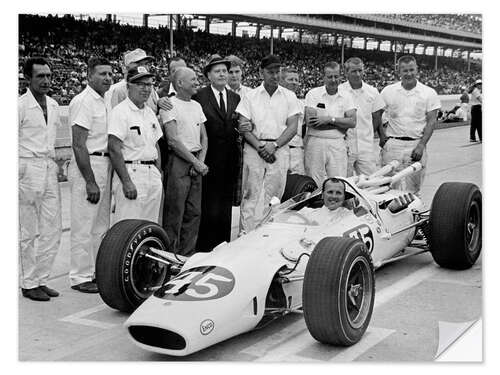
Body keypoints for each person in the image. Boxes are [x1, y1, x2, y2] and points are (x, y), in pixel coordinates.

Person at [236, 54, 301, 233]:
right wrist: (260, 147)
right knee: (251, 195)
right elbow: (243, 125)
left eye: (277, 71)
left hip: (279, 149)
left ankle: (267, 236)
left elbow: (293, 127)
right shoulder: (251, 96)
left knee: (274, 196)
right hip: (254, 149)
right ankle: (244, 237)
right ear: (261, 72)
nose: (275, 75)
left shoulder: (289, 96)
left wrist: (275, 145)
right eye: (270, 72)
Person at [68, 57, 113, 293]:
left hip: (104, 162)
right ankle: (79, 275)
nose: (107, 78)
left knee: (100, 225)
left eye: (110, 74)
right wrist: (90, 181)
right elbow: (78, 144)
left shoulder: (104, 101)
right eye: (102, 74)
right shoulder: (84, 101)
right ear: (89, 76)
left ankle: (95, 271)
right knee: (83, 224)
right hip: (89, 165)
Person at [19, 57, 62, 301]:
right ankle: (28, 282)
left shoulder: (54, 105)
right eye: (40, 76)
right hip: (26, 166)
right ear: (28, 78)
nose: (46, 80)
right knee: (27, 230)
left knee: (52, 228)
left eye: (48, 75)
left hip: (47, 165)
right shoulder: (19, 106)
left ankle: (41, 278)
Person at [192, 55, 241, 252]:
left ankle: (223, 246)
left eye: (225, 71)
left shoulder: (235, 98)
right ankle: (205, 248)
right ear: (208, 76)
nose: (222, 74)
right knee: (208, 205)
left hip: (230, 160)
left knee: (225, 206)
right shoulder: (199, 97)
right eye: (218, 71)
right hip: (209, 158)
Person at [160, 67, 209, 256]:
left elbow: (204, 138)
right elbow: (172, 140)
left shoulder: (196, 106)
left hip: (197, 161)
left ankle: (187, 255)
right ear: (180, 83)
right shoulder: (169, 105)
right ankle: (170, 257)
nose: (197, 82)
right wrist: (195, 162)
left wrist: (200, 162)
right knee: (175, 213)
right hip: (179, 161)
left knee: (194, 212)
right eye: (193, 79)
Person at [108, 66, 163, 223]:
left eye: (148, 84)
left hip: (151, 172)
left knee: (149, 225)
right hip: (131, 171)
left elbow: (156, 145)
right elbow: (114, 148)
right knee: (127, 225)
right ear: (128, 86)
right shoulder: (120, 111)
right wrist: (126, 181)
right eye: (140, 84)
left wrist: (157, 174)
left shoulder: (150, 112)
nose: (145, 89)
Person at [380, 55, 441, 195]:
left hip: (416, 145)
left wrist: (421, 145)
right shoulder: (388, 91)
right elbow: (377, 115)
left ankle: (412, 216)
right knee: (388, 188)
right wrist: (382, 137)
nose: (408, 74)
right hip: (393, 145)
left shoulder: (429, 93)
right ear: (398, 72)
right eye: (405, 70)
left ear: (417, 70)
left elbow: (431, 122)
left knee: (413, 190)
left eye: (411, 70)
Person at [304, 61, 357, 186]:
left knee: (338, 180)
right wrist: (340, 125)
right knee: (314, 179)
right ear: (323, 77)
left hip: (337, 142)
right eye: (329, 77)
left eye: (336, 76)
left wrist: (329, 119)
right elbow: (311, 122)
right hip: (316, 142)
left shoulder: (347, 96)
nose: (333, 80)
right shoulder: (313, 94)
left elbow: (352, 122)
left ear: (340, 76)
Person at [338, 57, 385, 177]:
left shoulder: (372, 92)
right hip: (345, 146)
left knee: (370, 182)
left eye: (360, 70)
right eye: (354, 71)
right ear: (346, 72)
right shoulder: (339, 91)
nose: (358, 74)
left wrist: (369, 134)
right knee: (345, 182)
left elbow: (377, 117)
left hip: (366, 147)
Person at [225, 54, 252, 206]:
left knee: (244, 185)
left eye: (237, 71)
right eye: (231, 72)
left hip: (245, 143)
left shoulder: (250, 93)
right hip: (226, 142)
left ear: (242, 72)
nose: (234, 75)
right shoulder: (220, 92)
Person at [279, 66, 305, 174]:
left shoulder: (301, 103)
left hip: (297, 150)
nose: (294, 83)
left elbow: (304, 128)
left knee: (297, 184)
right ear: (281, 81)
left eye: (296, 80)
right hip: (280, 148)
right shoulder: (274, 101)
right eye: (290, 79)